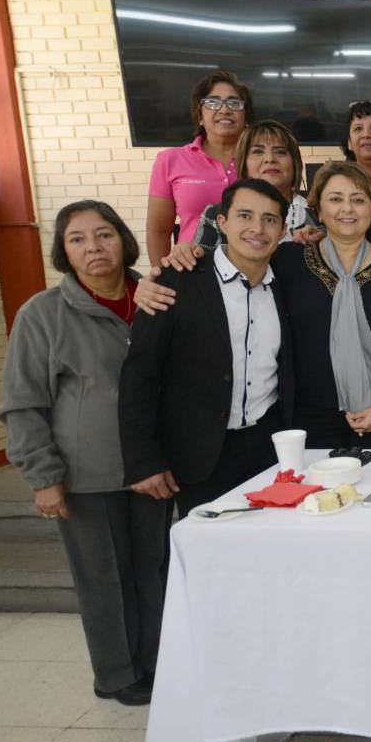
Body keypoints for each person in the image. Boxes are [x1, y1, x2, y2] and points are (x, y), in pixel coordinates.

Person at [0, 201, 165, 706]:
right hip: (87, 477)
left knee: (151, 573)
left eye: (104, 234)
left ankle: (158, 665)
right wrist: (42, 476)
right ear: (63, 251)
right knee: (103, 579)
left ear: (123, 239)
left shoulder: (156, 298)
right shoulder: (43, 314)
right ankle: (117, 675)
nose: (93, 247)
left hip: (153, 470)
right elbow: (23, 402)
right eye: (77, 239)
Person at [135, 163, 371, 450]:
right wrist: (173, 266)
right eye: (335, 199)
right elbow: (232, 260)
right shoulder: (287, 260)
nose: (347, 209)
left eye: (359, 199)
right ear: (318, 210)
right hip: (305, 426)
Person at [119, 179, 294, 518]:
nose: (257, 228)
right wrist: (142, 459)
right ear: (223, 223)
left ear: (283, 229)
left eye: (270, 219)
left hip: (267, 452)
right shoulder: (178, 279)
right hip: (199, 456)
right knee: (208, 559)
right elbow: (140, 373)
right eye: (245, 216)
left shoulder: (284, 284)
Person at [146, 69, 251, 264]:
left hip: (253, 270)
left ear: (246, 116)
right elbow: (159, 229)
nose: (224, 109)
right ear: (200, 115)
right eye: (213, 102)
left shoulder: (258, 160)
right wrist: (160, 277)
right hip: (193, 271)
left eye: (234, 103)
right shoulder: (170, 160)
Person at [192, 119, 316, 250]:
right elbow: (200, 263)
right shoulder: (216, 213)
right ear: (244, 163)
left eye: (280, 152)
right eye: (258, 152)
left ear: (295, 162)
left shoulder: (320, 210)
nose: (270, 159)